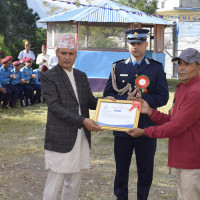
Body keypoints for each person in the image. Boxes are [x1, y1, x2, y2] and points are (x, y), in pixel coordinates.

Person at [103, 29, 169, 200]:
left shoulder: (155, 67)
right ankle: (121, 197)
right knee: (121, 169)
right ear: (128, 45)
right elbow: (108, 94)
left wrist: (144, 98)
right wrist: (126, 98)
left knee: (145, 170)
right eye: (132, 43)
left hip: (146, 127)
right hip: (122, 127)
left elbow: (163, 97)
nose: (135, 47)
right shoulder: (118, 67)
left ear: (146, 45)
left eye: (139, 43)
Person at [127, 48, 200, 200]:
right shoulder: (183, 88)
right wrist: (150, 111)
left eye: (186, 64)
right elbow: (173, 120)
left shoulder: (196, 92)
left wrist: (145, 132)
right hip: (185, 156)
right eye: (179, 63)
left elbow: (175, 127)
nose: (180, 68)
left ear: (198, 67)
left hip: (193, 160)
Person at [41, 34, 103, 200]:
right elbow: (55, 107)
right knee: (55, 181)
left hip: (80, 136)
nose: (67, 57)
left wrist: (107, 104)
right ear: (57, 53)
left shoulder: (81, 76)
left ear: (76, 54)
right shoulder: (49, 76)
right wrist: (83, 121)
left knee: (75, 180)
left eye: (71, 53)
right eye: (63, 53)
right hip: (60, 137)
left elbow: (89, 101)